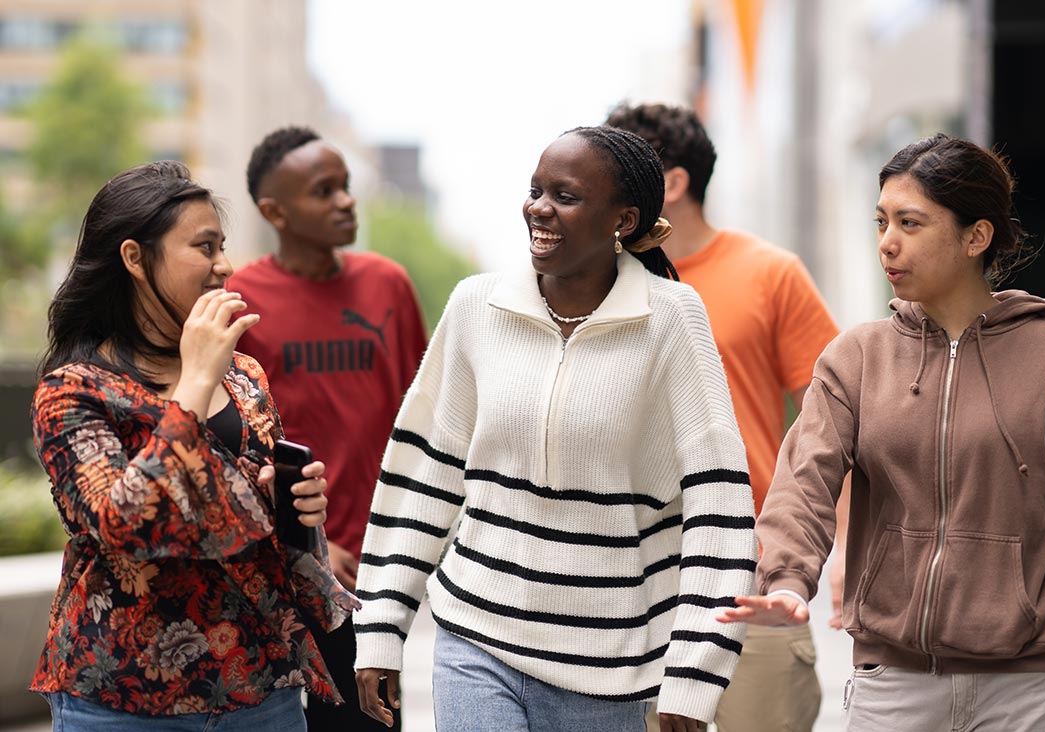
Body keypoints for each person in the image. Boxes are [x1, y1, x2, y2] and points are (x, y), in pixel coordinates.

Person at [719, 133, 1045, 732]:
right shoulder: (857, 358)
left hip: (1035, 691)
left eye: (910, 222)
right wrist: (786, 580)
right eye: (881, 221)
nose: (887, 242)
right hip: (896, 689)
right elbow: (803, 487)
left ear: (975, 237)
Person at [351, 126, 758, 732]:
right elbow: (425, 475)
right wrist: (381, 627)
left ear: (623, 218)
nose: (537, 208)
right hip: (475, 640)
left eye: (564, 196)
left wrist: (693, 676)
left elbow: (719, 512)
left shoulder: (672, 320)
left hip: (609, 671)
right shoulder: (475, 307)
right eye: (534, 190)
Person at [29, 161, 357, 731]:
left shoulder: (245, 374)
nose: (224, 266)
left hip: (259, 687)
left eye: (223, 246)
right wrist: (196, 376)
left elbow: (249, 514)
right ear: (134, 258)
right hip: (122, 699)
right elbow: (121, 526)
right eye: (204, 247)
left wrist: (293, 505)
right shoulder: (74, 389)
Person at [606, 102, 840, 732]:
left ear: (672, 184)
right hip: (633, 584)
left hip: (751, 574)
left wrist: (846, 559)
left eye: (617, 171)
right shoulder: (598, 284)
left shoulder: (771, 274)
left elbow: (839, 424)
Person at [228, 126, 427, 731]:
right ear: (275, 211)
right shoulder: (241, 298)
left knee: (377, 718)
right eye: (324, 191)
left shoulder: (387, 283)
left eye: (345, 187)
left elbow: (423, 417)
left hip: (381, 565)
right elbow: (233, 436)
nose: (345, 201)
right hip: (293, 562)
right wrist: (308, 541)